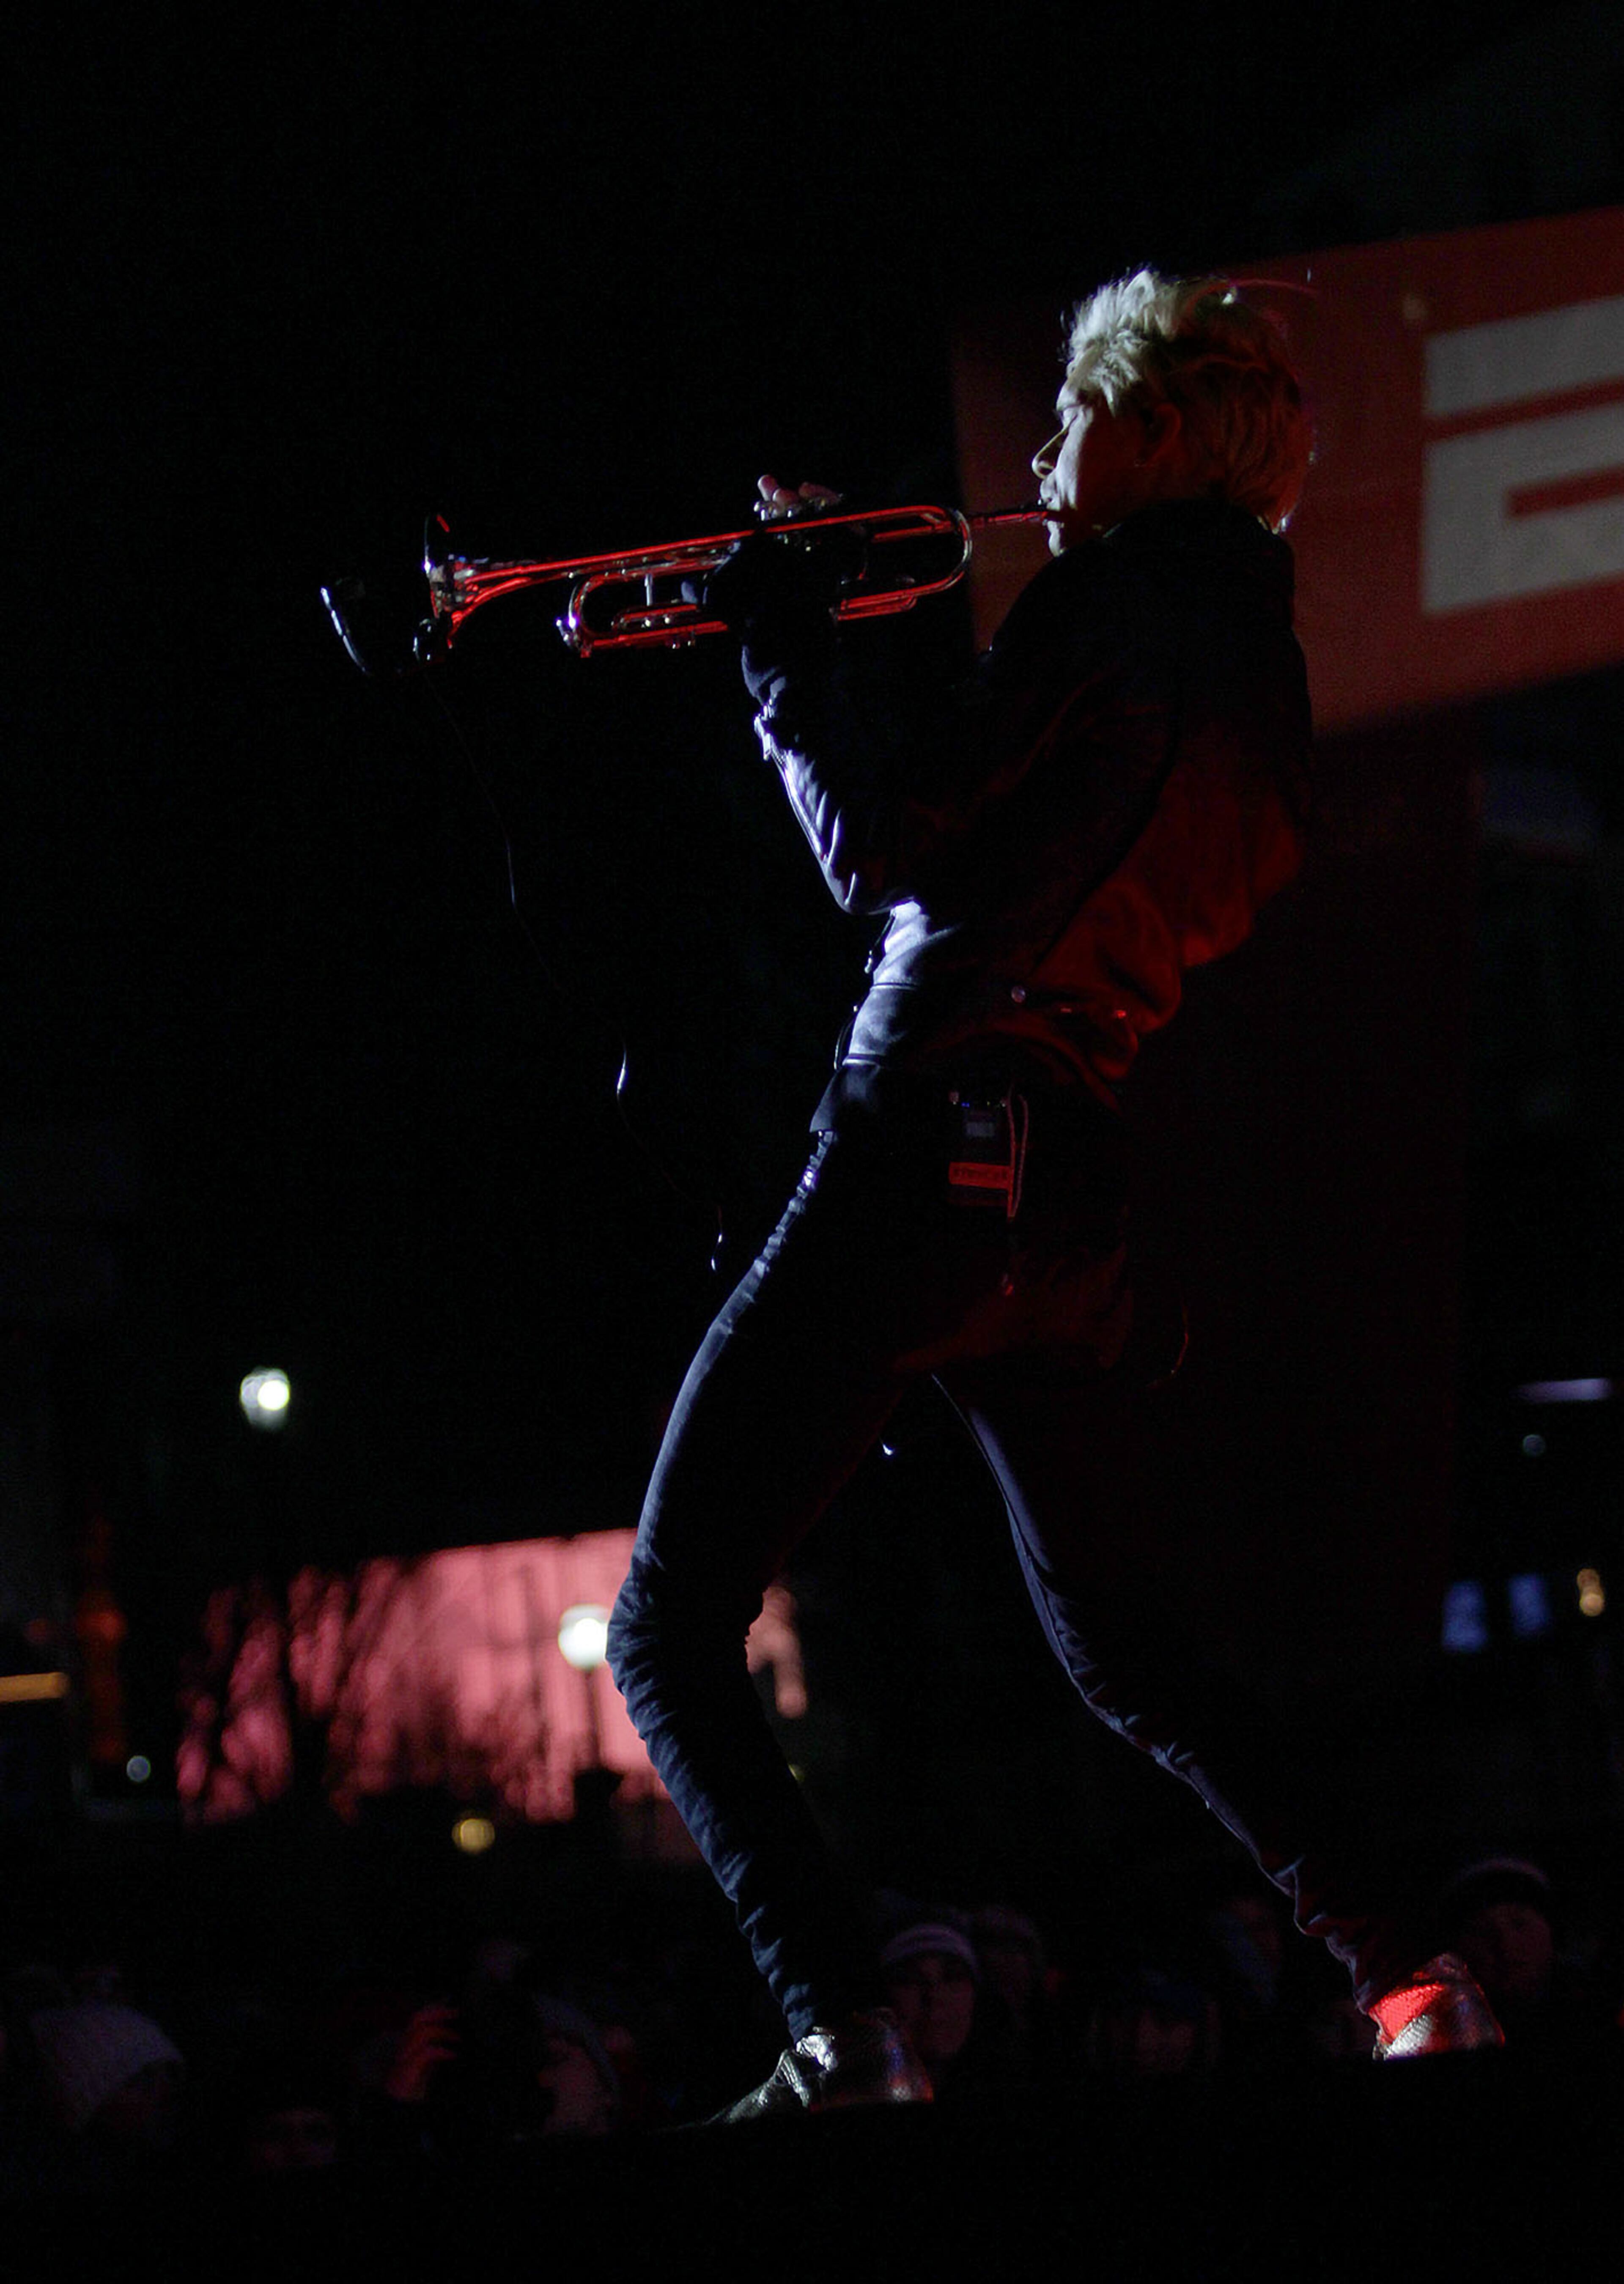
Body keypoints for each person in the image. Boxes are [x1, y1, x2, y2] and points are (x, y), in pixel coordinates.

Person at [605, 269, 1503, 2118]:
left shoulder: (1108, 601)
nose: (1039, 453)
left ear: (1157, 431)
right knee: (1132, 1650)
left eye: (1074, 417)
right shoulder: (1266, 658)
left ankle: (841, 2039)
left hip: (922, 1143)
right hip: (1072, 1183)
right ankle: (1417, 1976)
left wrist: (780, 649)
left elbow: (891, 851)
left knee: (667, 1628)